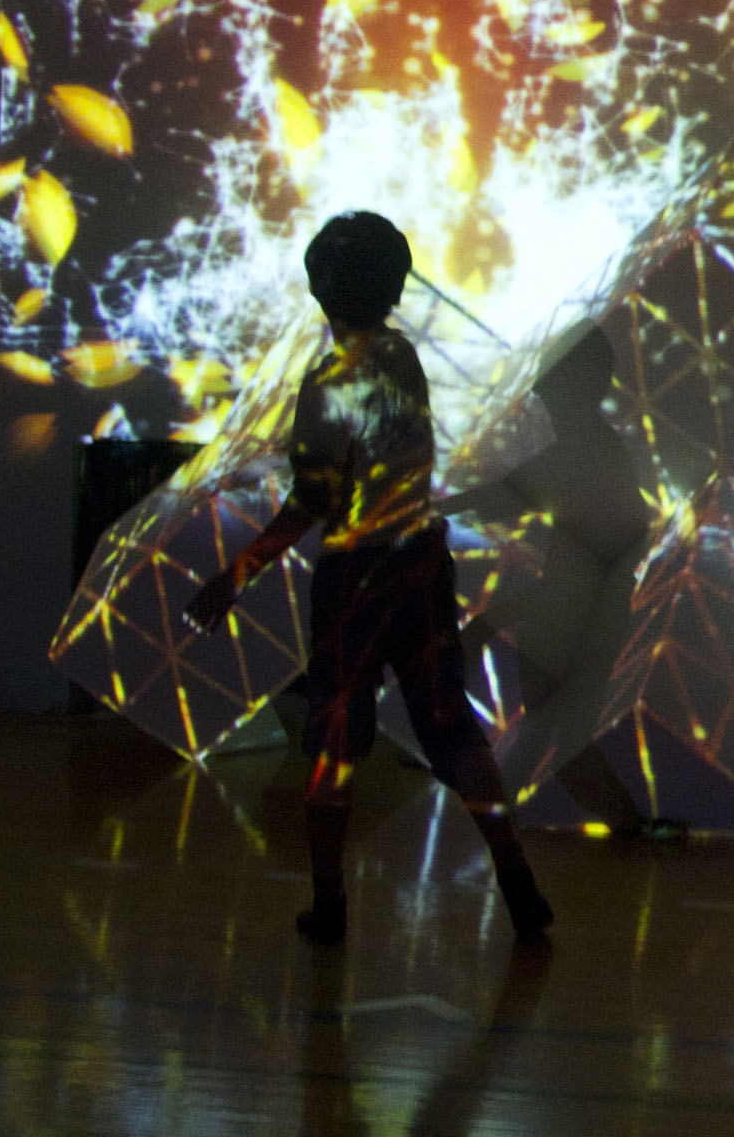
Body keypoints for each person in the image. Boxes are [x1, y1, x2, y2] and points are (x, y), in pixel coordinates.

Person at [184, 211, 552, 946]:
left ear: (321, 290)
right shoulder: (403, 357)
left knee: (334, 738)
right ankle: (517, 879)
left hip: (356, 580)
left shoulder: (327, 384)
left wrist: (235, 574)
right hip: (421, 562)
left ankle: (329, 903)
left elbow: (313, 500)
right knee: (451, 730)